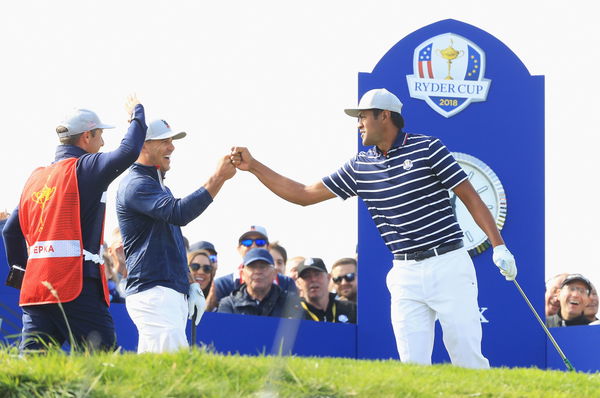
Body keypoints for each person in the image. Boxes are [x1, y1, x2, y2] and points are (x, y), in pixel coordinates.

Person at [230, 88, 517, 369]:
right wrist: (254, 166)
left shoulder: (429, 148)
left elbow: (470, 197)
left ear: (385, 116)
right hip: (405, 273)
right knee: (412, 366)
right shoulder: (360, 166)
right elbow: (304, 194)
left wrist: (498, 245)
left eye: (363, 117)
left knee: (466, 356)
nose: (358, 124)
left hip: (449, 264)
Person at [2, 96, 146, 352]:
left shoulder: (35, 178)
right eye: (100, 135)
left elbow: (11, 232)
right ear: (86, 137)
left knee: (33, 371)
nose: (103, 143)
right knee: (104, 365)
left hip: (36, 290)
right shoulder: (85, 167)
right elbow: (128, 151)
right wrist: (137, 115)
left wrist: (24, 274)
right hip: (76, 286)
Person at [116, 118, 236, 353]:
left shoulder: (156, 186)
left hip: (166, 291)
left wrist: (189, 283)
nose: (172, 147)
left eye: (171, 140)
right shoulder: (136, 184)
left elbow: (171, 244)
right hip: (153, 292)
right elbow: (179, 213)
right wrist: (218, 177)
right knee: (170, 369)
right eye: (164, 141)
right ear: (142, 145)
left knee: (159, 375)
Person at [212, 226, 296, 304]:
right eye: (247, 242)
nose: (254, 246)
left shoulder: (286, 283)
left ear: (268, 247)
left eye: (260, 242)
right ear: (238, 249)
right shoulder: (222, 284)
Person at [217, 248, 301, 318]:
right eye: (252, 267)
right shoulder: (229, 305)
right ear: (242, 274)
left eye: (263, 267)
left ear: (274, 273)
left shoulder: (290, 302)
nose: (258, 272)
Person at [296, 257, 356, 324]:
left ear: (328, 278)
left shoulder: (351, 309)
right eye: (306, 276)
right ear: (298, 283)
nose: (313, 279)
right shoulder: (293, 313)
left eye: (317, 274)